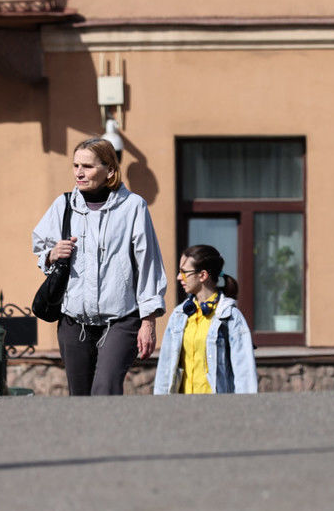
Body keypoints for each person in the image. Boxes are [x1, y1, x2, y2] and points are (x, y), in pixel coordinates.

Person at [32, 137, 168, 395]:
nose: (79, 173)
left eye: (88, 166)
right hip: (74, 323)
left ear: (110, 170)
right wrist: (51, 254)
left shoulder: (133, 207)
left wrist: (148, 322)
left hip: (120, 321)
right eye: (75, 166)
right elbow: (41, 248)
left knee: (105, 390)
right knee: (80, 397)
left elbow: (148, 264)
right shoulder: (63, 205)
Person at [153, 244, 258, 394]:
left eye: (184, 272)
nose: (178, 277)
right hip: (182, 410)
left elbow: (245, 374)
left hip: (217, 410)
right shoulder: (178, 316)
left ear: (202, 275)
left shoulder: (230, 317)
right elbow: (165, 369)